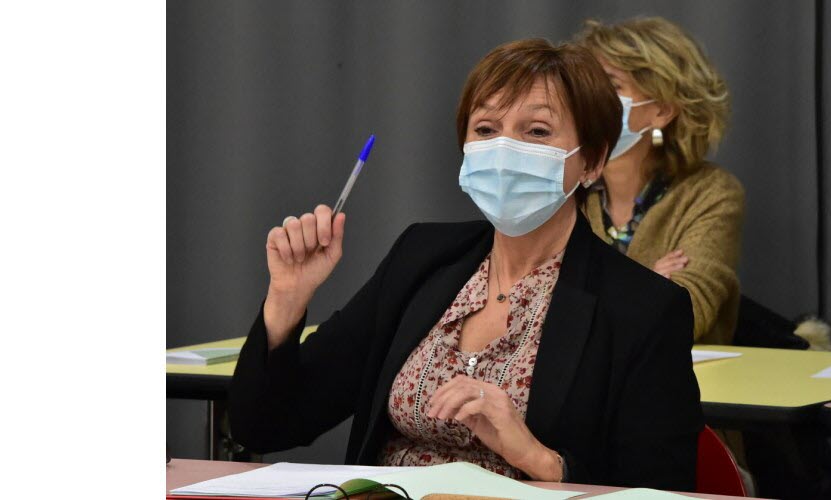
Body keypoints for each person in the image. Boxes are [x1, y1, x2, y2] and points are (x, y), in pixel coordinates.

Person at [228, 39, 703, 491]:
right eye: (485, 130)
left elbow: (663, 488)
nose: (503, 150)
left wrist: (539, 458)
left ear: (592, 162)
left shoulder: (643, 307)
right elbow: (267, 424)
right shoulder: (422, 256)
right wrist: (286, 301)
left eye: (536, 132)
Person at [577, 18, 744, 345]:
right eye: (585, 85)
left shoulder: (711, 193)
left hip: (683, 389)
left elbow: (685, 315)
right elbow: (536, 313)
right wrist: (646, 284)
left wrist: (595, 298)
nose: (587, 99)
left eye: (610, 86)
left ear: (662, 111)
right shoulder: (564, 187)